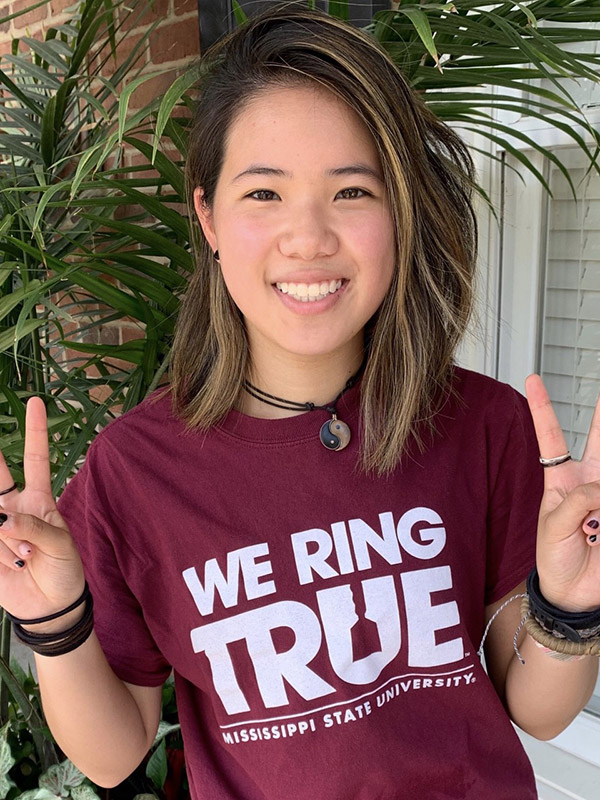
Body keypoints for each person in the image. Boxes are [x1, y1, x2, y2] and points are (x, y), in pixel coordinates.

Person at [1, 5, 599, 799]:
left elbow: (538, 710)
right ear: (208, 216)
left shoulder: (484, 428)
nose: (309, 237)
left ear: (400, 213)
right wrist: (54, 623)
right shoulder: (134, 471)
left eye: (352, 190)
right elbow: (113, 756)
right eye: (265, 195)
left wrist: (569, 609)